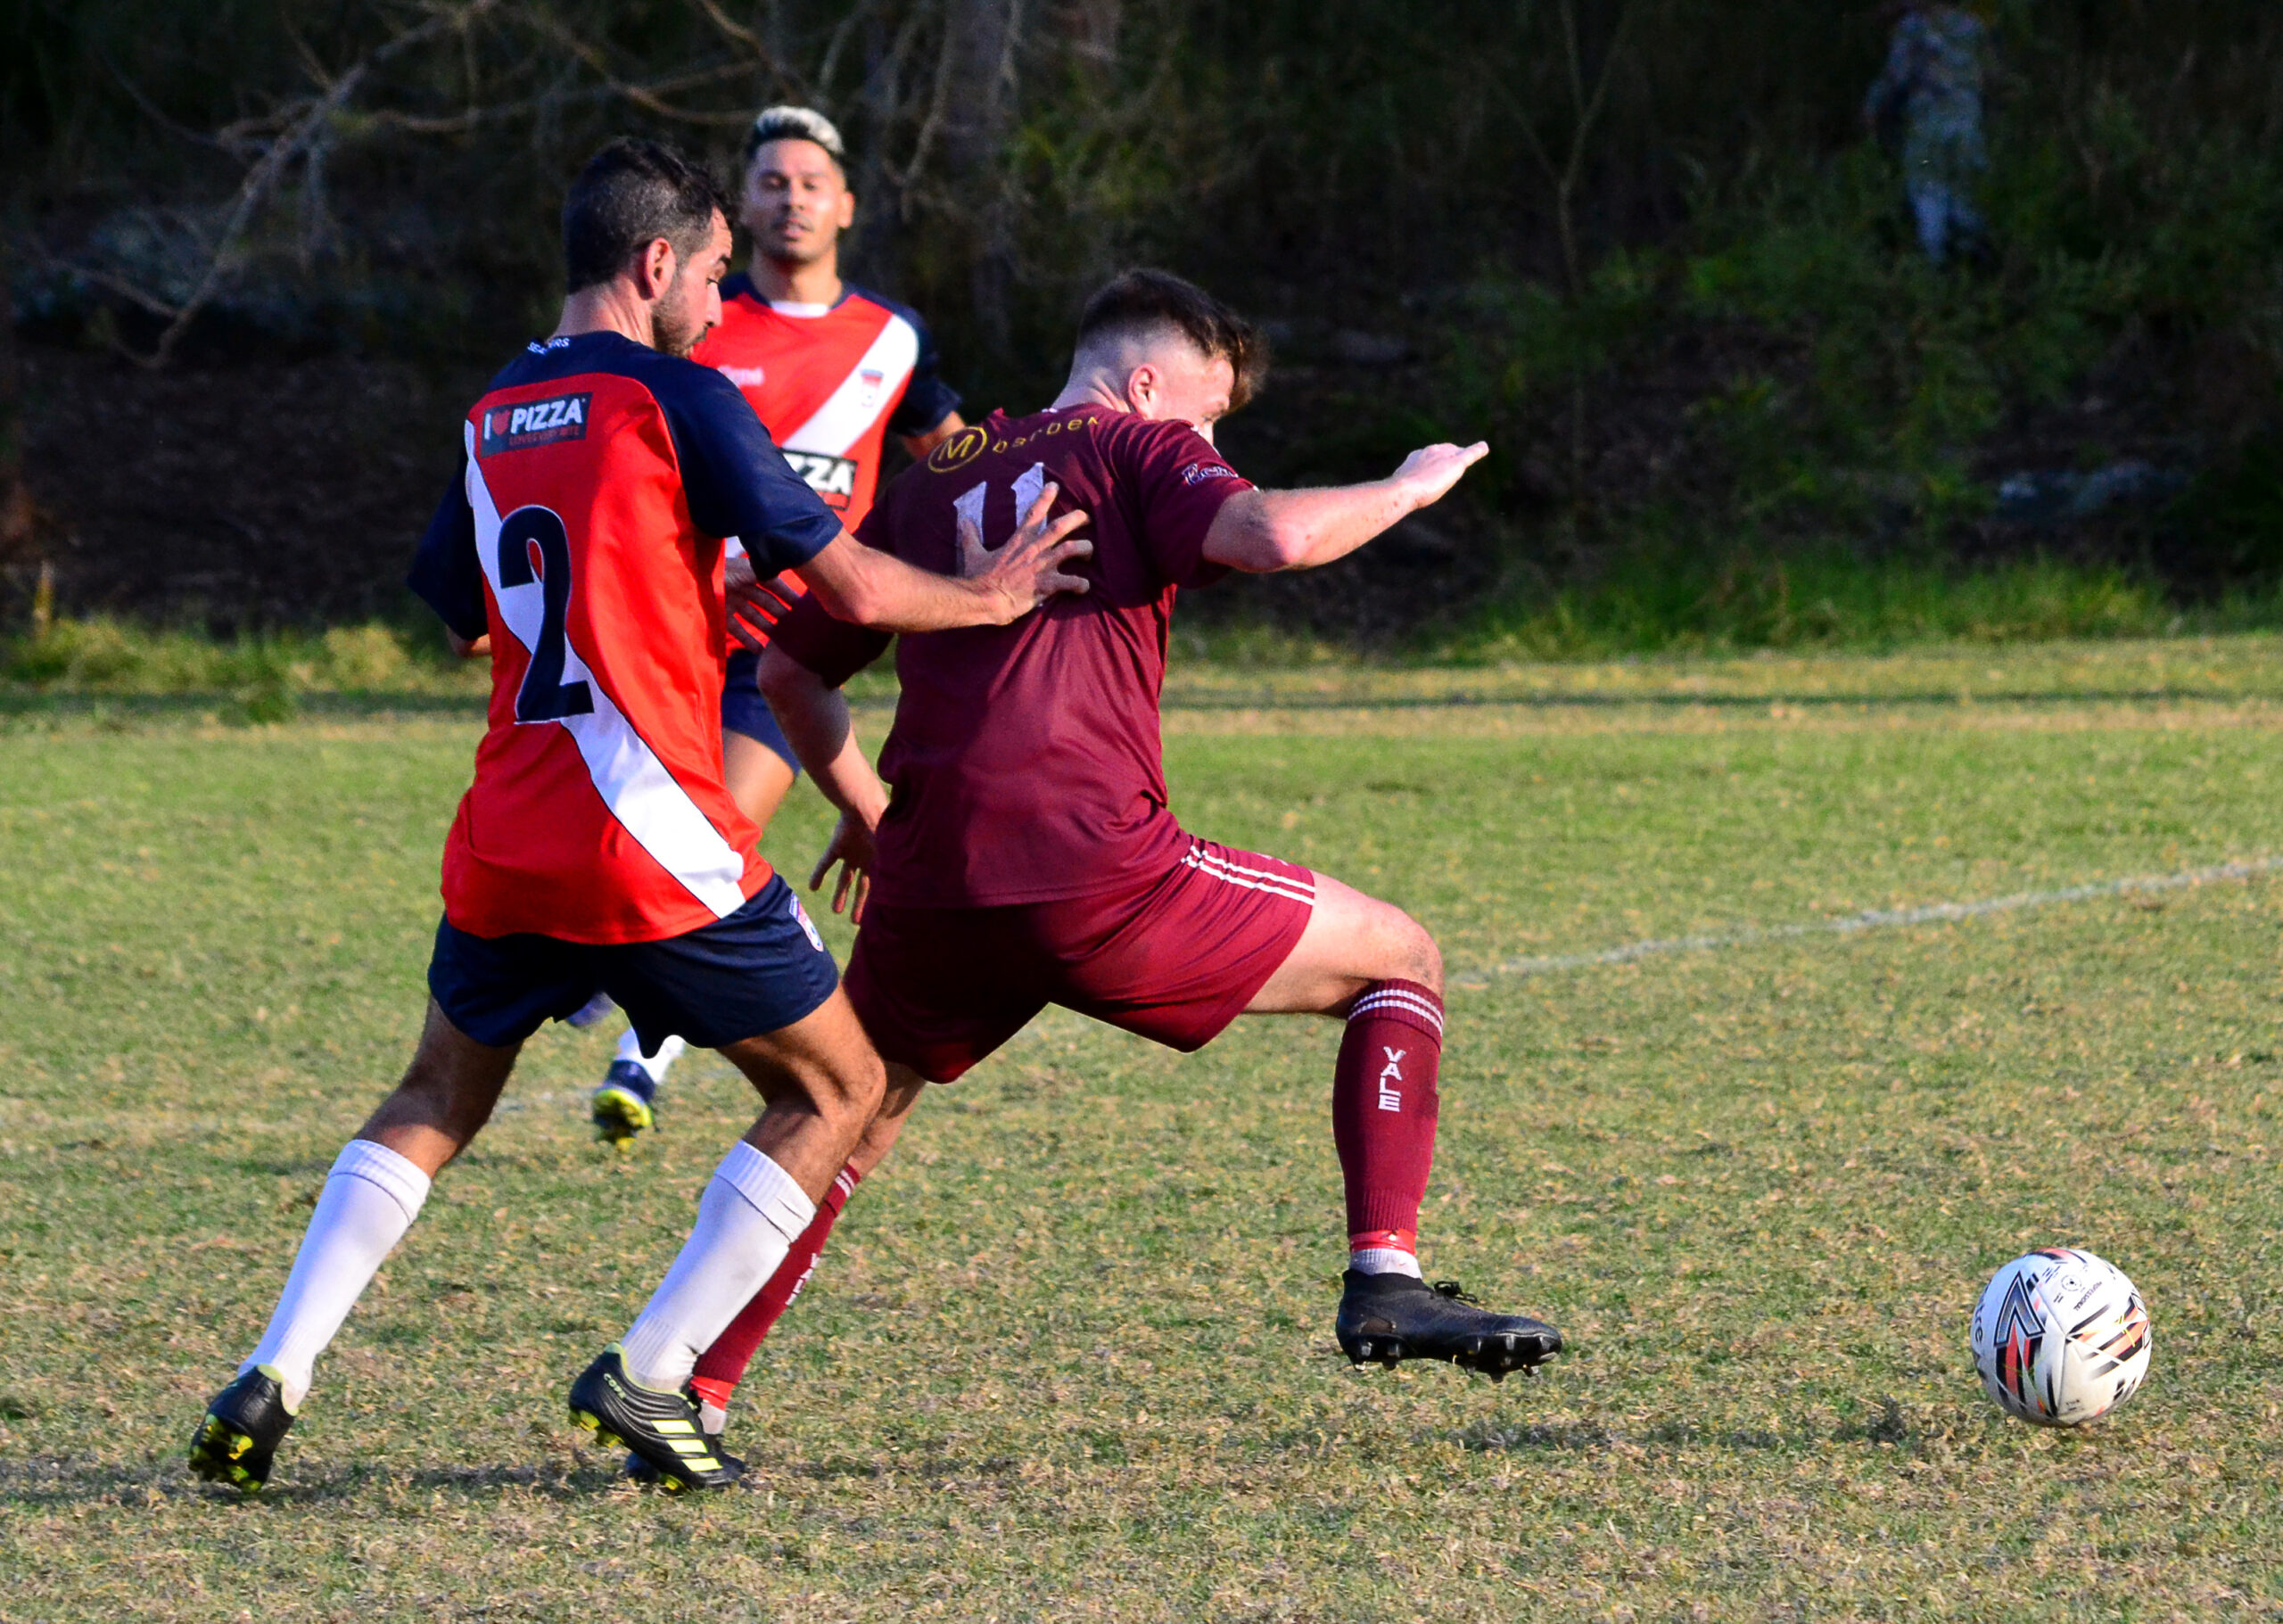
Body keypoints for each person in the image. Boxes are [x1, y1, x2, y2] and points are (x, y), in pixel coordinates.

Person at [185, 136, 1091, 1496]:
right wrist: (992, 596)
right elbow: (843, 582)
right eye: (714, 273)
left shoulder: (493, 410)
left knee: (436, 1093)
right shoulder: (683, 394)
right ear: (654, 263)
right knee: (839, 1086)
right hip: (651, 833)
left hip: (508, 833)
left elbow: (458, 612)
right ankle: (653, 1373)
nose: (724, 303)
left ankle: (275, 1369)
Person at [674, 269, 1563, 1455]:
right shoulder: (1138, 444)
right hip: (1096, 872)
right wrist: (1407, 488)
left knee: (849, 1112)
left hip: (935, 874)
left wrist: (871, 810)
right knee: (1400, 960)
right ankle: (1384, 1276)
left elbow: (788, 673)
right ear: (1146, 383)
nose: (1210, 445)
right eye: (1207, 417)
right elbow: (1279, 533)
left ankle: (688, 1382)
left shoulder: (933, 469)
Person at [587, 105, 971, 1146]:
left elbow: (954, 454)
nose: (791, 197)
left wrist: (967, 541)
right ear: (734, 209)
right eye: (770, 180)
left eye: (811, 181)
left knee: (719, 831)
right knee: (648, 839)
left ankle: (640, 1045)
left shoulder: (892, 337)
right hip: (658, 640)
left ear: (845, 205)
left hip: (784, 651)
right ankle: (615, 971)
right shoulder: (690, 325)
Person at [1865, 3, 1990, 265]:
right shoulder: (1971, 26)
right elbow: (1989, 77)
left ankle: (1934, 269)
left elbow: (1896, 76)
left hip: (1928, 126)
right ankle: (1974, 268)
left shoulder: (1913, 28)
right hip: (1968, 125)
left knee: (1928, 193)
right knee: (1965, 196)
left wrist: (1872, 108)